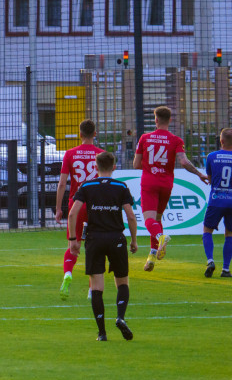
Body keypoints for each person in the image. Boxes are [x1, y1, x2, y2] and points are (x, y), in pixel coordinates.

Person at [67, 151, 138, 341]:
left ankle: (102, 333)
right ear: (114, 167)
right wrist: (133, 240)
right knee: (122, 282)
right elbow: (131, 216)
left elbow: (73, 214)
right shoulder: (121, 186)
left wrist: (73, 239)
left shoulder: (87, 186)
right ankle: (120, 318)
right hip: (116, 238)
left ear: (96, 167)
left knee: (97, 287)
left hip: (94, 240)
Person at [133, 106, 208, 271]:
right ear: (170, 120)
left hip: (149, 182)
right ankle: (152, 255)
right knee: (157, 219)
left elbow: (136, 164)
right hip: (166, 184)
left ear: (156, 119)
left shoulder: (145, 138)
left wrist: (150, 167)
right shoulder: (176, 140)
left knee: (149, 220)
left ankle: (161, 237)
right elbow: (184, 162)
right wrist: (199, 174)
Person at [55, 119, 105, 298]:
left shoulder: (70, 154)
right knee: (94, 246)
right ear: (95, 134)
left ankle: (68, 273)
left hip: (76, 204)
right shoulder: (102, 154)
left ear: (80, 134)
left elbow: (62, 184)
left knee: (73, 245)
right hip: (96, 206)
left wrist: (58, 208)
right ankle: (92, 290)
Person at [202, 128, 232, 277]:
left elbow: (210, 177)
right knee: (230, 234)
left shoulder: (212, 156)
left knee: (207, 231)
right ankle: (226, 269)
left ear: (221, 141)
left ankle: (210, 260)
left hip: (216, 200)